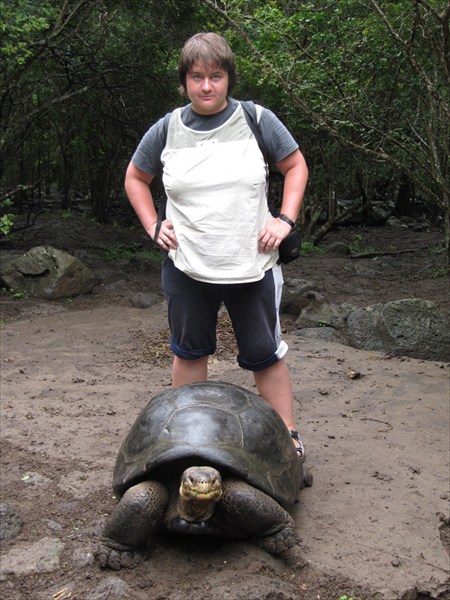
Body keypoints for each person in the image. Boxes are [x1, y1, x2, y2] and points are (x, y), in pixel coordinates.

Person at [124, 32, 309, 461]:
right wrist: (153, 225)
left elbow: (295, 165)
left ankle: (288, 438)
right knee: (189, 353)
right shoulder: (167, 129)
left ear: (229, 79)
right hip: (187, 265)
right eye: (197, 77)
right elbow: (135, 177)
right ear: (184, 81)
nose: (206, 86)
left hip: (252, 265)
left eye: (216, 76)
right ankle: (183, 440)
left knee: (264, 355)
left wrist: (284, 220)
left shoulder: (256, 119)